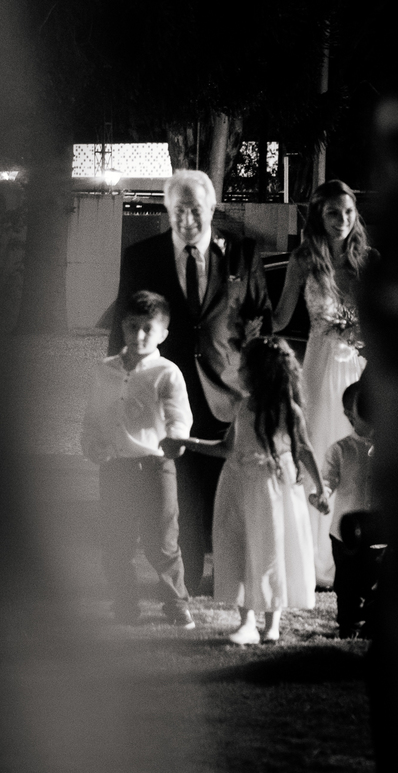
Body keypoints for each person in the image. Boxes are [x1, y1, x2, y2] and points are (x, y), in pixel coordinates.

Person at [109, 169, 273, 594]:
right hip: (166, 396)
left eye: (196, 209)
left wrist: (261, 386)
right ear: (167, 210)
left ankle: (232, 578)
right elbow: (122, 327)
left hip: (229, 395)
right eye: (178, 209)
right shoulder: (141, 257)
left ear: (212, 208)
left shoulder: (242, 253)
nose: (187, 219)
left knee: (231, 494)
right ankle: (187, 581)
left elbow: (262, 322)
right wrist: (119, 389)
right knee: (178, 498)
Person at [164, 338, 330, 644]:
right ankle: (247, 622)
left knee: (269, 552)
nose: (239, 371)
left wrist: (320, 489)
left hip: (271, 489)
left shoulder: (287, 410)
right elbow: (228, 447)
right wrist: (187, 443)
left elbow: (304, 449)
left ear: (262, 371)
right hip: (236, 484)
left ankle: (271, 624)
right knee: (238, 548)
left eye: (244, 367)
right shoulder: (243, 405)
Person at [273, 179, 376, 587]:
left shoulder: (367, 261)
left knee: (356, 456)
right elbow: (281, 317)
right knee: (316, 451)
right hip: (317, 369)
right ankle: (310, 559)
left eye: (348, 212)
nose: (342, 220)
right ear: (318, 214)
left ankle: (352, 552)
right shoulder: (303, 260)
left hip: (356, 369)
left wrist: (364, 336)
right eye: (333, 212)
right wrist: (249, 315)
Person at [82, 290, 196, 628]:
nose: (140, 335)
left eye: (149, 328)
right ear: (123, 327)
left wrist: (176, 438)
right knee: (116, 542)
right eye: (133, 326)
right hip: (115, 468)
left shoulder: (166, 372)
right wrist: (92, 444)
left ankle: (176, 605)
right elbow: (93, 417)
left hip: (155, 468)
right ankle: (124, 606)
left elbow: (179, 416)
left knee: (162, 542)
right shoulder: (104, 370)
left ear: (163, 333)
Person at [320, 379, 382, 638]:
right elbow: (328, 479)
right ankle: (348, 624)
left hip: (377, 531)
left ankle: (373, 622)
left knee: (374, 579)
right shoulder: (341, 449)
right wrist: (321, 494)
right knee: (347, 583)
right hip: (344, 533)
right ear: (350, 414)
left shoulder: (388, 447)